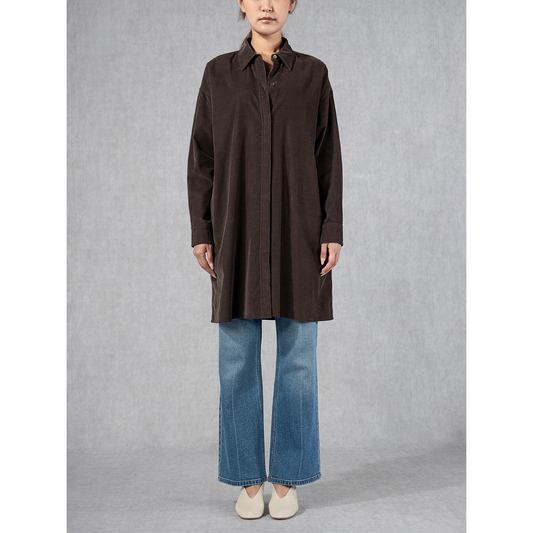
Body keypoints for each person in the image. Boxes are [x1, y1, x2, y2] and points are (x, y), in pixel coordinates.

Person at [187, 0, 343, 520]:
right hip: (236, 236)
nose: (268, 5)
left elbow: (328, 157)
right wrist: (202, 230)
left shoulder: (313, 75)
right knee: (236, 361)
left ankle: (288, 478)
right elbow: (202, 158)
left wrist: (332, 229)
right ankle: (248, 482)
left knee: (298, 362)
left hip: (301, 236)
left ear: (293, 3)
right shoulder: (218, 75)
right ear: (241, 2)